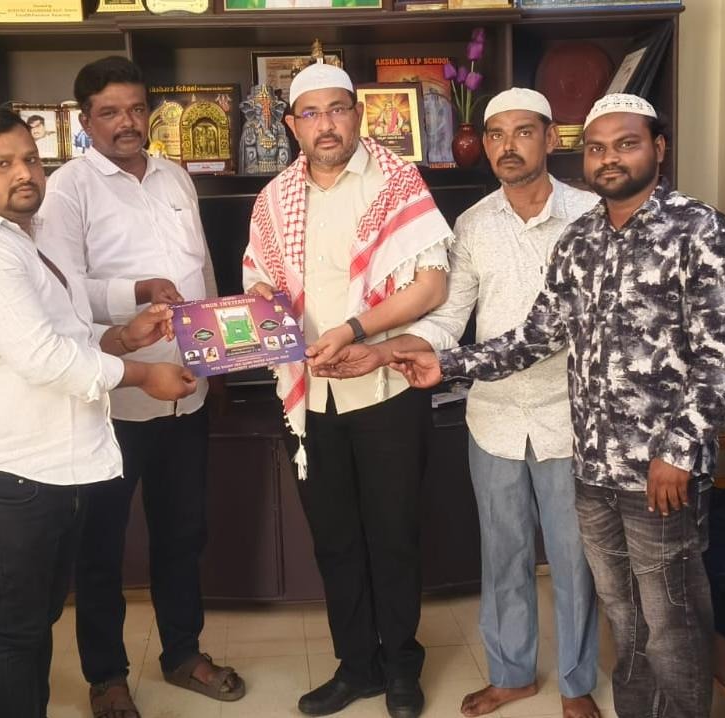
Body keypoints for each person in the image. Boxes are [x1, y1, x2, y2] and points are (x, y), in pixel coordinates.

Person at [391, 93, 725, 718]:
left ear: (658, 148)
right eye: (598, 148)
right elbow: (538, 336)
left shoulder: (703, 231)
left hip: (658, 470)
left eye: (626, 144)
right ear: (582, 155)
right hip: (591, 463)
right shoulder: (582, 240)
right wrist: (444, 364)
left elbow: (723, 356)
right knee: (625, 617)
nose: (610, 158)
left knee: (670, 618)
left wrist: (678, 452)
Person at [313, 87, 601, 718]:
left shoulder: (591, 216)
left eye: (522, 132)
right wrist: (386, 351)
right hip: (494, 415)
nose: (507, 146)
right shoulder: (471, 224)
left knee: (575, 559)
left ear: (551, 139)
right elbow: (449, 319)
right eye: (495, 135)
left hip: (572, 419)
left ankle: (577, 684)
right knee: (503, 555)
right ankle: (512, 674)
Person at [0, 105, 197, 718]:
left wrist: (123, 337)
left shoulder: (22, 242)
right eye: (1, 164)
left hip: (45, 467)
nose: (23, 173)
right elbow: (46, 358)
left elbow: (67, 334)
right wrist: (144, 374)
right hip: (4, 473)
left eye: (30, 159)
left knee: (36, 618)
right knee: (17, 630)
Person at [34, 56, 244, 718]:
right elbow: (64, 292)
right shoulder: (67, 190)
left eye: (135, 108)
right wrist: (138, 290)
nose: (127, 123)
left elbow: (201, 271)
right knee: (101, 545)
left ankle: (183, 653)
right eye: (110, 112)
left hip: (186, 389)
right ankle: (106, 676)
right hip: (113, 399)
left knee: (183, 534)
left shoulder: (174, 175)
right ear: (85, 120)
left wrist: (219, 361)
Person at [242, 61, 453, 718]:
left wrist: (355, 330)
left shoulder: (397, 182)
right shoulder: (274, 198)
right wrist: (260, 299)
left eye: (338, 109)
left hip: (385, 387)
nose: (326, 124)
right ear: (291, 125)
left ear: (359, 114)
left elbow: (432, 285)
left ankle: (401, 667)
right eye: (311, 113)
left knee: (393, 535)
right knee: (334, 539)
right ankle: (356, 665)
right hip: (309, 398)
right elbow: (256, 278)